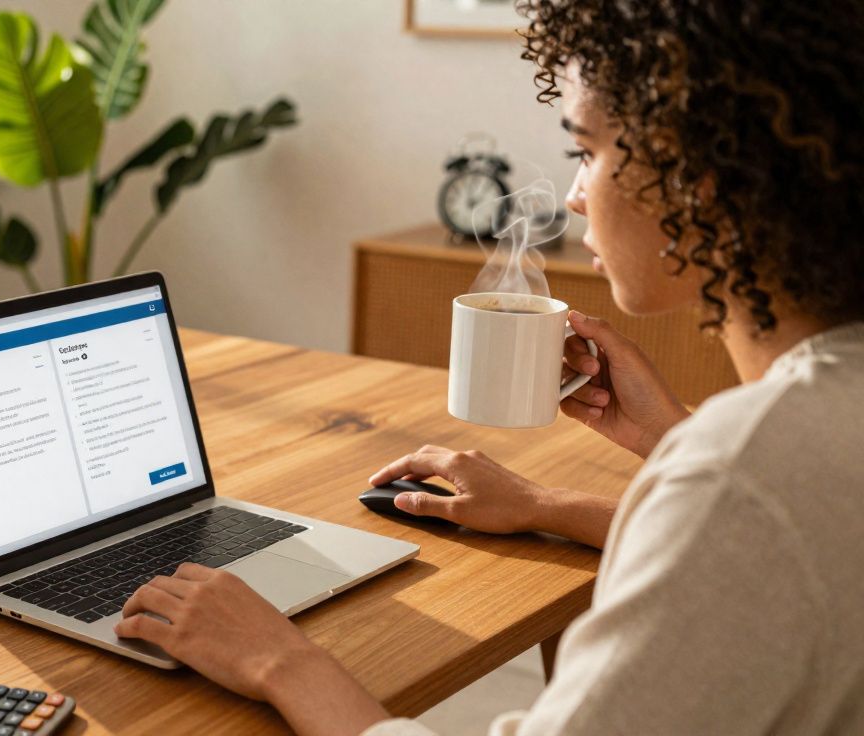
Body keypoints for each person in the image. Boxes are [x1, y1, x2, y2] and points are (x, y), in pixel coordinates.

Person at [111, 1, 864, 733]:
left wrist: (281, 660)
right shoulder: (817, 417)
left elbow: (745, 510)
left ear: (703, 174)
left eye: (587, 152)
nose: (572, 197)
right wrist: (575, 490)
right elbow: (766, 540)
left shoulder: (745, 470)